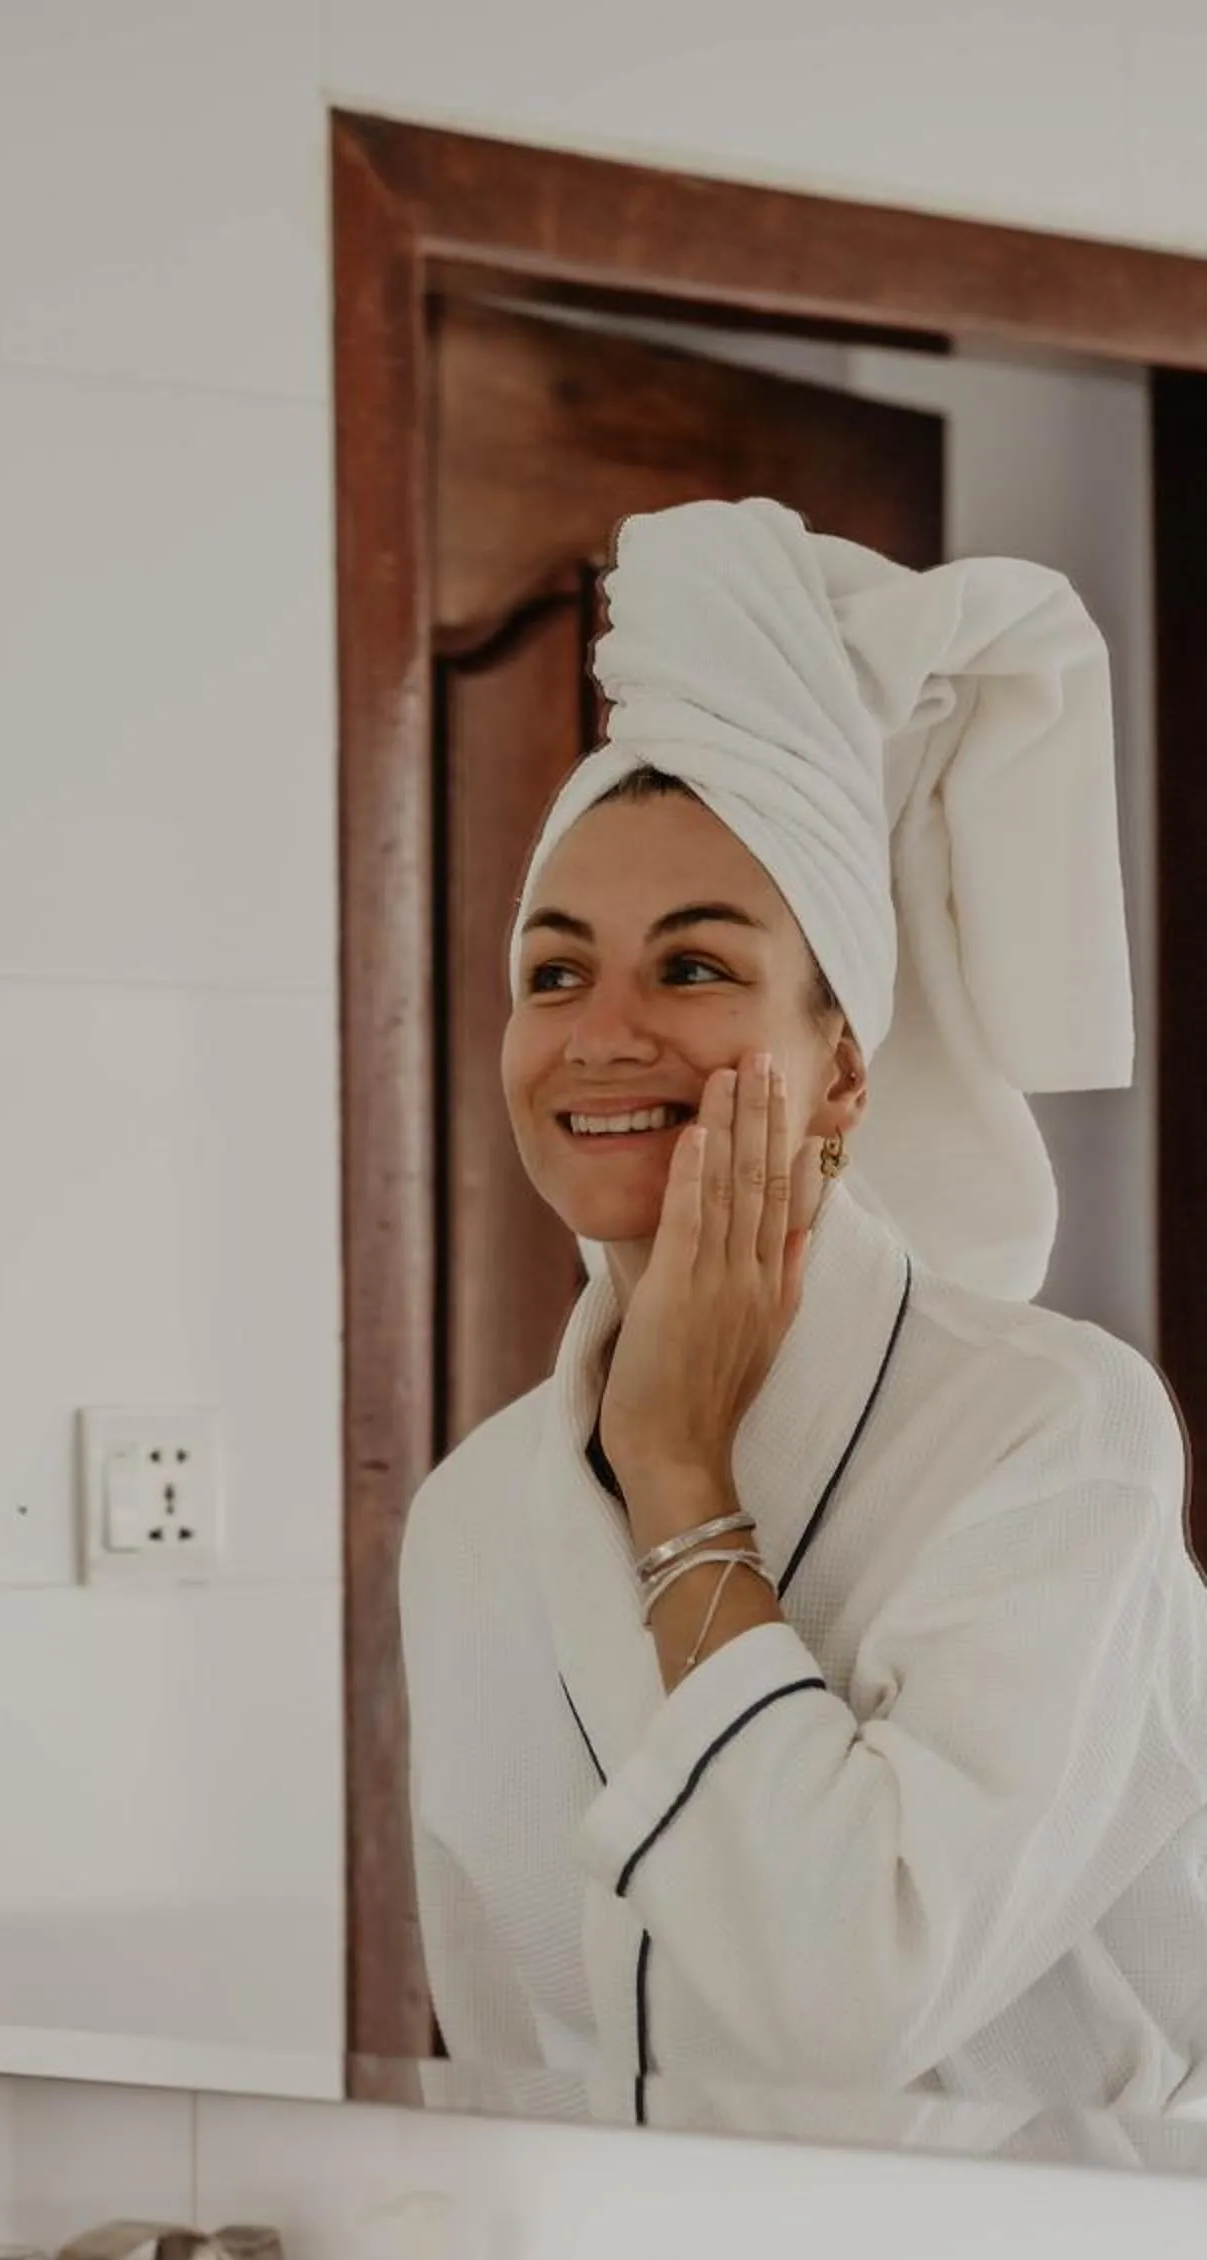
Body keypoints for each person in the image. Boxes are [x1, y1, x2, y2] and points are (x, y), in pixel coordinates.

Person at [401, 494, 1207, 2150]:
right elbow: (503, 2059)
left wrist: (682, 1474)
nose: (601, 1034)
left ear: (843, 1063)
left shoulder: (1051, 1439)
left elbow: (853, 1997)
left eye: (692, 968)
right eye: (553, 976)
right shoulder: (471, 1518)